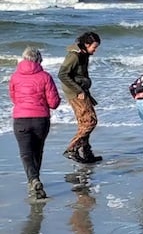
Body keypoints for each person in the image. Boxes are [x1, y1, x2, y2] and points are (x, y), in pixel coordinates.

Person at [9, 46, 61, 199]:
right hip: (40, 119)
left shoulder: (14, 76)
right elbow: (53, 103)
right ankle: (34, 180)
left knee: (25, 153)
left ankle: (33, 180)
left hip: (20, 119)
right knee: (37, 151)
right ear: (38, 59)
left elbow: (13, 98)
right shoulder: (45, 76)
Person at [58, 31, 102, 164]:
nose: (95, 50)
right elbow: (62, 74)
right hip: (76, 93)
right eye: (94, 47)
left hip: (82, 90)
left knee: (84, 123)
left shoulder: (84, 54)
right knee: (90, 122)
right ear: (86, 44)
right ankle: (71, 149)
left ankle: (86, 153)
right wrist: (78, 90)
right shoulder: (74, 56)